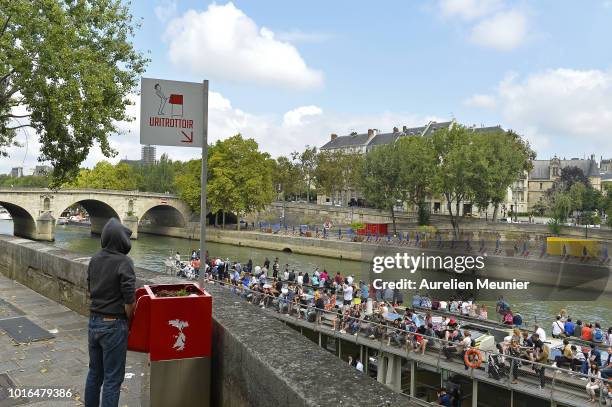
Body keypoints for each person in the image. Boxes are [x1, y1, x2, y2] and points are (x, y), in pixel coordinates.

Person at [85, 219, 135, 407]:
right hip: (114, 323)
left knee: (94, 374)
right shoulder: (125, 262)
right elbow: (129, 301)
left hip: (94, 321)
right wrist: (128, 319)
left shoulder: (94, 259)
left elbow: (90, 288)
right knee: (113, 379)